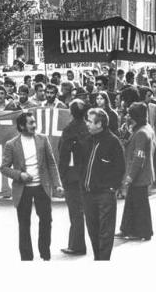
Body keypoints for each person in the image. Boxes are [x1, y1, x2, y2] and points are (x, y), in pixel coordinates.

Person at [0, 112, 63, 261]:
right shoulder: (11, 144)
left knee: (46, 221)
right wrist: (19, 175)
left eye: (34, 122)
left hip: (42, 187)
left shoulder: (42, 139)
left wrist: (57, 185)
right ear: (22, 126)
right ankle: (26, 258)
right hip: (23, 189)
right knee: (24, 224)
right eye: (30, 123)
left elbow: (51, 163)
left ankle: (45, 254)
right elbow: (3, 168)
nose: (34, 125)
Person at [80, 108, 126, 260]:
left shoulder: (113, 142)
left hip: (104, 194)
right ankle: (97, 258)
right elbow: (81, 165)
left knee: (105, 232)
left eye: (90, 121)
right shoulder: (87, 140)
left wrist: (111, 187)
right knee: (93, 229)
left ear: (99, 124)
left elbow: (120, 168)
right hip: (87, 194)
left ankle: (103, 261)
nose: (87, 123)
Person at [117, 102, 156, 241]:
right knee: (131, 202)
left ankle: (144, 232)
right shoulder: (145, 128)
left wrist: (130, 177)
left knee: (141, 204)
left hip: (140, 174)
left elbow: (138, 158)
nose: (127, 116)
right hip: (142, 173)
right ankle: (126, 228)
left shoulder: (141, 133)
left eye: (129, 114)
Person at [58, 100, 89, 256]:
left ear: (71, 112)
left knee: (75, 212)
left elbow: (63, 154)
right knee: (84, 211)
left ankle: (76, 245)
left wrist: (61, 176)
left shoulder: (69, 130)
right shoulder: (88, 128)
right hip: (87, 175)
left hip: (72, 175)